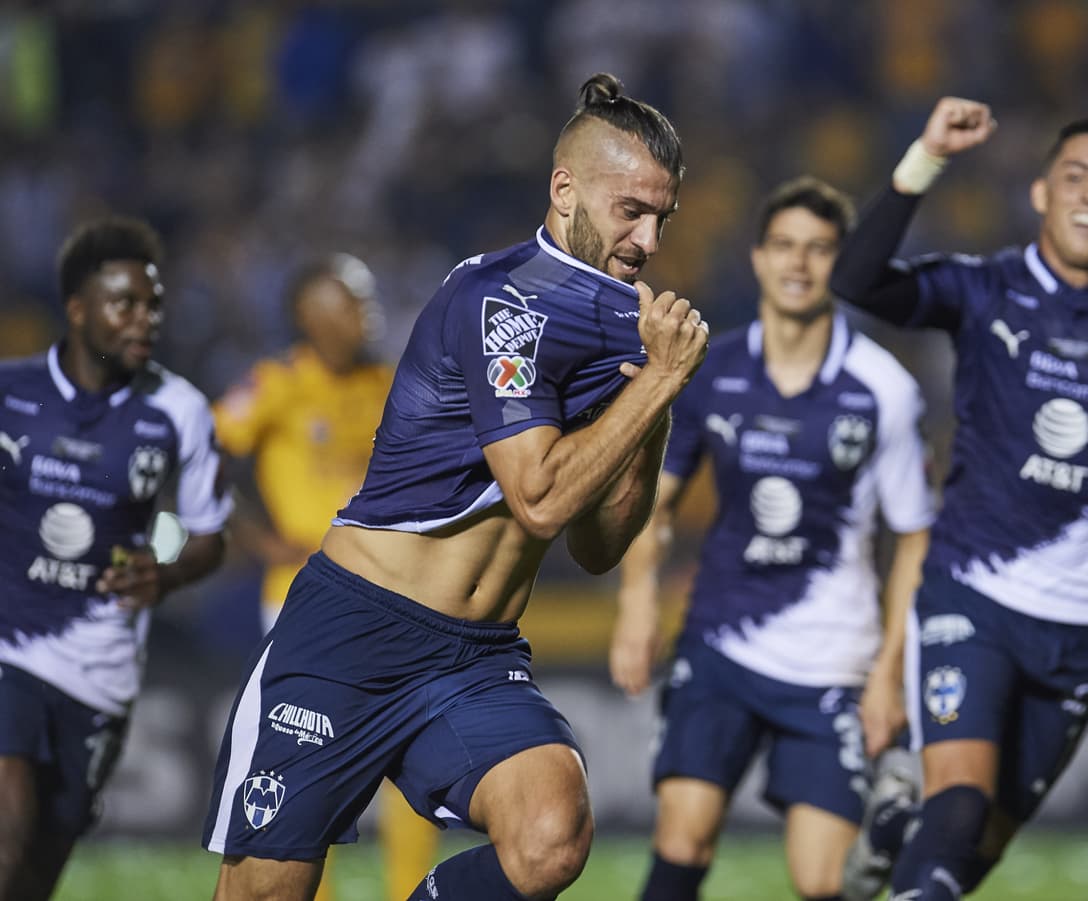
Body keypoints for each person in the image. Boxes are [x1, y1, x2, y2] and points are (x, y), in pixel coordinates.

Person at [202, 72, 709, 901]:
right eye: (631, 212)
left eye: (663, 219)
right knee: (263, 892)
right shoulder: (501, 299)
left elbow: (599, 542)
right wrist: (654, 384)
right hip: (353, 635)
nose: (649, 241)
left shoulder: (628, 327)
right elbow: (539, 498)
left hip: (473, 655)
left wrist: (649, 403)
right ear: (565, 189)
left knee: (551, 835)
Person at [830, 98, 1088, 900]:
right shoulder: (984, 288)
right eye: (1075, 177)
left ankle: (894, 828)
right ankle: (916, 820)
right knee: (960, 800)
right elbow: (857, 280)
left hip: (1085, 620)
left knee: (980, 842)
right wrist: (925, 157)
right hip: (970, 591)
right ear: (1040, 193)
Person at [610, 175, 934, 901]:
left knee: (824, 881)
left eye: (820, 250)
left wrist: (888, 672)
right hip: (720, 642)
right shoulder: (710, 367)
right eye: (784, 246)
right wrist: (637, 602)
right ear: (757, 258)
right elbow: (653, 504)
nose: (798, 263)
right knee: (682, 838)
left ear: (840, 264)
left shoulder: (883, 388)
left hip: (833, 662)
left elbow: (914, 539)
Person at [0, 217, 231, 899]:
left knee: (37, 865)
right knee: (7, 828)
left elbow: (209, 535)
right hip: (9, 646)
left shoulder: (178, 410)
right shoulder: (10, 397)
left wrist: (166, 573)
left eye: (153, 304)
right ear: (77, 309)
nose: (146, 319)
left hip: (100, 667)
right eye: (125, 303)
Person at [212, 254, 437, 901]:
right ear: (309, 315)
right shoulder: (276, 383)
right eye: (349, 301)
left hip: (394, 595)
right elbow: (204, 448)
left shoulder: (390, 382)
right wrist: (256, 537)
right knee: (306, 764)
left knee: (408, 756)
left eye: (366, 300)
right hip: (303, 596)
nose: (364, 313)